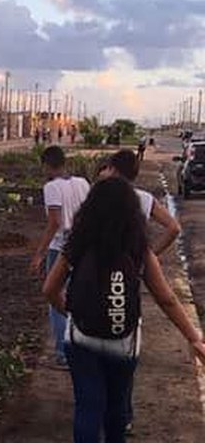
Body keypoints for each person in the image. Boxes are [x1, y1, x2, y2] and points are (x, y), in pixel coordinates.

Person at [43, 178, 205, 443]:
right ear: (131, 213)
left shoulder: (77, 244)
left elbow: (49, 289)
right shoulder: (138, 249)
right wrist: (194, 338)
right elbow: (166, 299)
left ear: (90, 208)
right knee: (116, 408)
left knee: (87, 406)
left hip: (81, 339)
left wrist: (71, 314)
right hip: (123, 342)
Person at [97, 149, 182, 432]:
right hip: (129, 279)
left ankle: (100, 411)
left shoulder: (99, 196)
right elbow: (173, 228)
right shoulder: (144, 199)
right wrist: (149, 257)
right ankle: (124, 416)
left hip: (98, 278)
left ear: (112, 169)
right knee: (126, 345)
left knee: (95, 346)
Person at [30, 145, 90, 367]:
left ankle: (63, 353)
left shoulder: (52, 188)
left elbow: (54, 222)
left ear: (46, 165)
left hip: (60, 249)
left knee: (55, 297)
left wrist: (39, 254)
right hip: (82, 247)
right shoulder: (83, 183)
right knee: (78, 296)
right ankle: (80, 344)